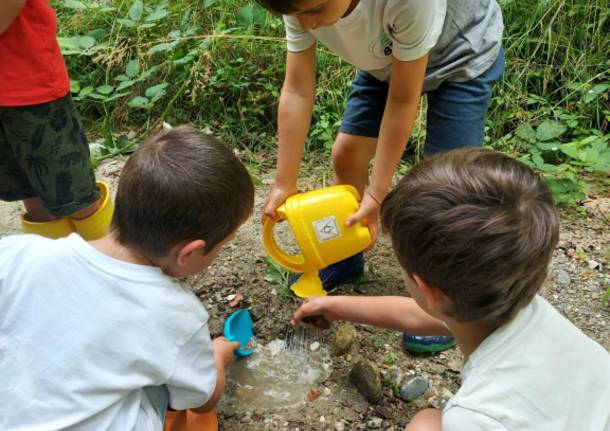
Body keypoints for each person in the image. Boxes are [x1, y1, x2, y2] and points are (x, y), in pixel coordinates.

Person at [292, 148, 610, 430]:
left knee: (426, 424)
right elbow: (421, 315)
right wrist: (333, 306)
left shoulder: (475, 415)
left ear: (427, 291)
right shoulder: (517, 302)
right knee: (430, 420)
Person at [0, 127, 255, 431]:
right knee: (166, 386)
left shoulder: (17, 252)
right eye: (223, 245)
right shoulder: (177, 315)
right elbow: (202, 399)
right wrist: (217, 357)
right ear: (188, 252)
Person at [0, 0, 112, 240]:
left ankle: (115, 262)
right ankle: (59, 269)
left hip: (29, 84)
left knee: (76, 195)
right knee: (29, 189)